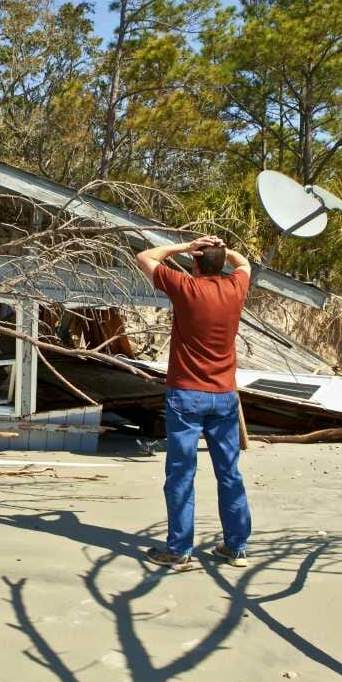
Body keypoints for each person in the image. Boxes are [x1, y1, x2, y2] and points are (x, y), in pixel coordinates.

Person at [135, 234, 252, 570]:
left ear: (196, 263)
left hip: (186, 394)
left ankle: (179, 550)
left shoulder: (186, 287)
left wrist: (185, 247)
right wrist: (220, 250)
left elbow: (147, 256)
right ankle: (236, 547)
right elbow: (244, 264)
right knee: (229, 472)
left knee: (181, 473)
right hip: (224, 396)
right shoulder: (235, 288)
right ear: (221, 262)